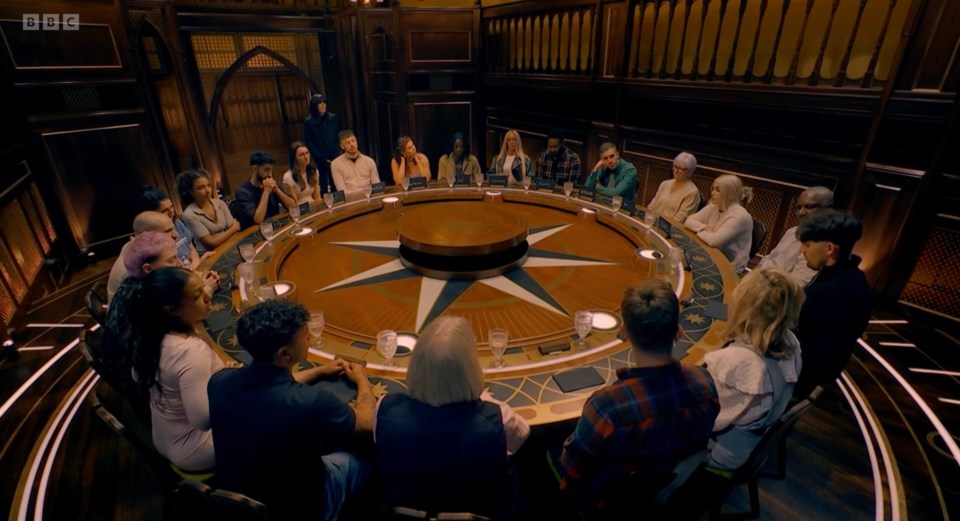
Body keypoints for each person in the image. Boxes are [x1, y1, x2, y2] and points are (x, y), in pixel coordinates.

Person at [560, 279, 719, 519]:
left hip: (607, 506)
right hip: (667, 494)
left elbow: (573, 471)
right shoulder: (705, 382)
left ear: (624, 332)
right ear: (678, 331)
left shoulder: (607, 406)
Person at [208, 299, 375, 521]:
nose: (308, 340)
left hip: (238, 503)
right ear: (285, 354)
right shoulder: (312, 400)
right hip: (302, 509)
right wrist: (363, 380)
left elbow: (265, 385)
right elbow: (366, 422)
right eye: (305, 337)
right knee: (366, 458)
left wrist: (319, 371)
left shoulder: (219, 381)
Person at [375, 316, 530, 518]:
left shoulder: (384, 409)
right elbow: (523, 433)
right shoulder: (499, 418)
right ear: (470, 369)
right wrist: (481, 396)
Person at [704, 267, 804, 471]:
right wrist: (705, 307)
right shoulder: (791, 341)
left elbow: (707, 420)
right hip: (751, 442)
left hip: (721, 451)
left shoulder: (739, 362)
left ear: (745, 309)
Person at [128, 267, 223, 472]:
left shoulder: (149, 333)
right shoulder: (189, 351)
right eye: (198, 295)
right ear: (171, 310)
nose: (207, 295)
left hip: (164, 436)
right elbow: (203, 420)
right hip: (196, 448)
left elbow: (136, 376)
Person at [793, 209, 871, 399]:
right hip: (804, 370)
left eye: (807, 244)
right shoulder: (853, 277)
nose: (802, 249)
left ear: (829, 249)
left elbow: (803, 348)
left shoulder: (831, 293)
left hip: (793, 379)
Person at [101, 232, 183, 400]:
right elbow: (179, 327)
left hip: (139, 362)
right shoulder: (145, 297)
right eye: (171, 260)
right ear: (147, 268)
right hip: (142, 379)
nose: (179, 263)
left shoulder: (135, 283)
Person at [758, 186, 834, 285]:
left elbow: (794, 288)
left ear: (828, 209)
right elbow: (769, 258)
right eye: (799, 207)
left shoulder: (820, 245)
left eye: (809, 207)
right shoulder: (792, 231)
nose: (801, 212)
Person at [684, 174, 754, 273]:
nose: (712, 193)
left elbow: (714, 241)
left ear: (729, 194)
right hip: (710, 253)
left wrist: (698, 231)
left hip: (730, 266)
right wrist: (705, 228)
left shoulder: (740, 216)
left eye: (718, 190)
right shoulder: (715, 206)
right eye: (713, 189)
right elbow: (688, 221)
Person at [106, 211, 180, 301]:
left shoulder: (139, 248)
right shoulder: (131, 269)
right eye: (168, 231)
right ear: (145, 235)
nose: (176, 234)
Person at [134, 185, 206, 270]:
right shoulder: (151, 240)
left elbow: (192, 251)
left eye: (171, 207)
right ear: (150, 214)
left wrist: (195, 266)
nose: (171, 212)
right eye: (164, 210)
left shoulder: (177, 223)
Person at [178, 169, 240, 255]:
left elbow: (235, 231)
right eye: (200, 188)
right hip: (210, 254)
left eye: (208, 185)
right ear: (191, 192)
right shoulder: (189, 214)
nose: (207, 191)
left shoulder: (220, 203)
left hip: (230, 246)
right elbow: (210, 243)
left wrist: (229, 231)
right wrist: (233, 229)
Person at [234, 151, 297, 229]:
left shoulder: (274, 183)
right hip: (254, 233)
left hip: (274, 227)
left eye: (271, 169)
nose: (270, 174)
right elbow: (258, 219)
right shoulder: (242, 192)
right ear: (254, 169)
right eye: (266, 170)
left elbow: (293, 206)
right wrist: (266, 192)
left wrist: (278, 191)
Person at [648, 152, 701, 222]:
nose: (676, 171)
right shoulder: (665, 183)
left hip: (669, 229)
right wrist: (648, 217)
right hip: (652, 222)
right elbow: (652, 205)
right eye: (675, 167)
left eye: (680, 168)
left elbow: (680, 219)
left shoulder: (692, 192)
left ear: (689, 171)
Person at [304, 93, 340, 194]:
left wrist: (336, 154)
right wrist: (321, 158)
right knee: (323, 185)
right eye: (319, 103)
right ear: (314, 106)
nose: (323, 105)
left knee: (335, 183)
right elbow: (309, 142)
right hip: (319, 158)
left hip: (334, 157)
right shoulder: (309, 122)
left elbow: (337, 137)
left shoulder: (333, 118)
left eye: (324, 102)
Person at [583, 142, 638, 209]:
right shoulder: (603, 167)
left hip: (624, 209)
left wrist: (598, 187)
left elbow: (616, 193)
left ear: (617, 155)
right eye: (605, 158)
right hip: (604, 205)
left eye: (612, 156)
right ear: (602, 160)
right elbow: (586, 190)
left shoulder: (630, 171)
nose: (609, 161)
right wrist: (595, 169)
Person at [331, 129, 381, 201]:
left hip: (370, 198)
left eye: (353, 141)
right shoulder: (336, 164)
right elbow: (341, 191)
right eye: (348, 143)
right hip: (350, 201)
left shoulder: (369, 161)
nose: (352, 144)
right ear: (342, 146)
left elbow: (377, 186)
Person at [282, 141, 321, 205]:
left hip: (313, 205)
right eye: (301, 155)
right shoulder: (288, 177)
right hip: (300, 209)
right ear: (295, 158)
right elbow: (294, 204)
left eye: (307, 153)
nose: (306, 157)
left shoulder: (313, 171)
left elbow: (317, 197)